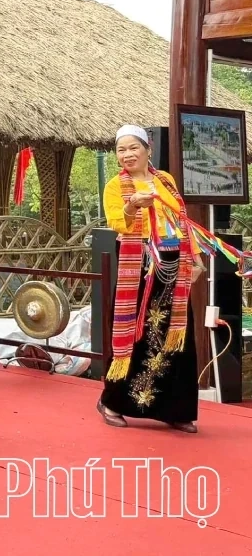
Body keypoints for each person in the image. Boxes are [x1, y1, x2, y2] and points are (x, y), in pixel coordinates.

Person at [97, 125, 204, 433]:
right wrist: (132, 206)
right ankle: (113, 401)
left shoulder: (165, 180)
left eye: (133, 148)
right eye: (121, 150)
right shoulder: (117, 186)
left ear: (148, 149)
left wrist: (195, 259)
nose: (127, 155)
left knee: (175, 331)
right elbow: (117, 223)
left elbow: (182, 221)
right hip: (139, 264)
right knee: (136, 330)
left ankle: (175, 408)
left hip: (174, 264)